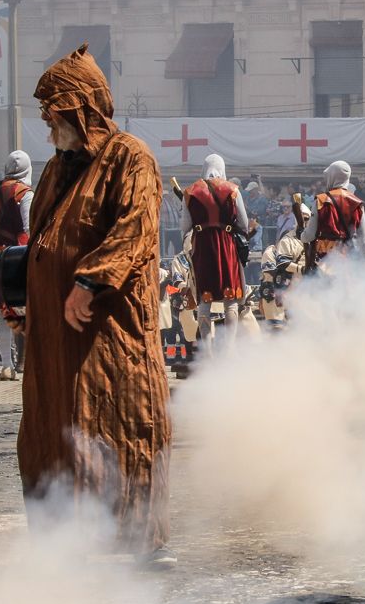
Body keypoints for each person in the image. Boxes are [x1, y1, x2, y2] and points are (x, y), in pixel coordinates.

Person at [19, 45, 173, 565]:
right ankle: (66, 539)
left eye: (54, 115)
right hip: (55, 335)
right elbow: (43, 239)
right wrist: (23, 292)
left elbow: (135, 230)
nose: (48, 127)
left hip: (110, 331)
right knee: (54, 429)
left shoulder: (131, 156)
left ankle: (132, 540)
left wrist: (88, 280)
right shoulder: (56, 168)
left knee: (119, 424)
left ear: (81, 108)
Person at [0, 150, 32, 380]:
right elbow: (30, 228)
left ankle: (7, 365)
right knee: (28, 309)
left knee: (3, 311)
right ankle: (29, 363)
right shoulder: (24, 193)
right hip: (20, 256)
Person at [182, 154, 250, 329]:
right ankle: (229, 344)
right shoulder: (233, 190)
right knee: (231, 300)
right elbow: (244, 224)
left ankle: (206, 344)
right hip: (227, 245)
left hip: (202, 246)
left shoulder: (190, 192)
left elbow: (185, 227)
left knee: (205, 299)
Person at [301, 160, 365, 266]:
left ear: (332, 177)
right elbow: (364, 242)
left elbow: (309, 235)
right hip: (350, 261)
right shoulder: (358, 203)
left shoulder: (321, 200)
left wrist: (301, 235)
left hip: (325, 261)